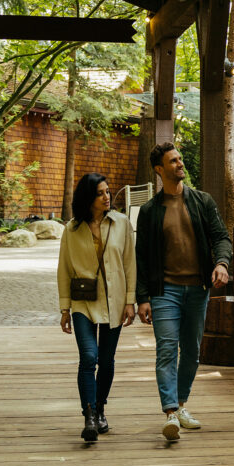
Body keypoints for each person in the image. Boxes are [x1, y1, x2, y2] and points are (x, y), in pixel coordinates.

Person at [136, 143, 232, 441]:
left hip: (198, 290)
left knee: (191, 351)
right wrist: (142, 298)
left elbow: (221, 237)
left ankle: (180, 406)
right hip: (165, 291)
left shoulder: (202, 201)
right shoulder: (149, 211)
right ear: (159, 169)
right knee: (167, 349)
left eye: (179, 159)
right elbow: (141, 258)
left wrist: (222, 263)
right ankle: (170, 413)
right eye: (173, 161)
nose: (180, 164)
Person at [57, 173, 136, 442]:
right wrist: (64, 308)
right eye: (100, 193)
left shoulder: (121, 223)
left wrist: (130, 301)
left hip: (114, 301)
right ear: (88, 198)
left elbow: (129, 264)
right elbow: (64, 269)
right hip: (83, 301)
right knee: (89, 357)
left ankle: (101, 408)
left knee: (107, 360)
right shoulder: (71, 229)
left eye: (107, 191)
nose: (107, 197)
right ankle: (89, 416)